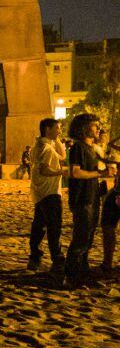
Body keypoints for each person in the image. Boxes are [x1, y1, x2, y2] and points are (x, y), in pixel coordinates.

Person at [63, 113, 106, 288]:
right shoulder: (78, 148)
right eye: (95, 125)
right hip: (82, 200)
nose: (98, 129)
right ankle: (71, 277)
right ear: (84, 128)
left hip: (93, 198)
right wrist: (100, 174)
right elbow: (74, 172)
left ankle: (83, 274)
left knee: (88, 239)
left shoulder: (92, 149)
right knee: (80, 240)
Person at [28, 118, 66, 274]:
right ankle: (57, 261)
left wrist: (55, 138)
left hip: (39, 192)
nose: (60, 131)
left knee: (38, 226)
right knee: (54, 228)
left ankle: (34, 258)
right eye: (57, 128)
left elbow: (62, 156)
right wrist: (62, 172)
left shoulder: (37, 146)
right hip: (50, 192)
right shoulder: (47, 149)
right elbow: (44, 170)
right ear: (47, 129)